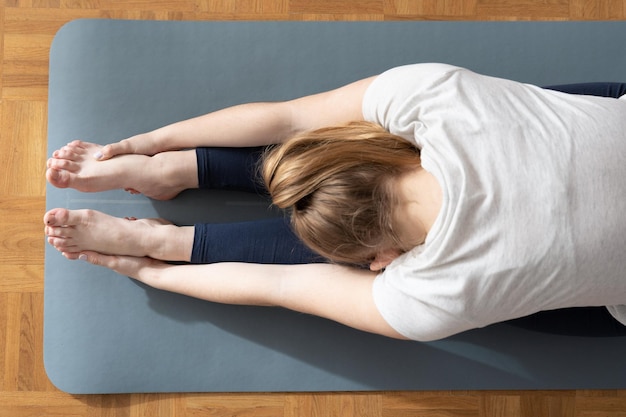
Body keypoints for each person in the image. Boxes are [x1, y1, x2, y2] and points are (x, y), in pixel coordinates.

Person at [44, 63, 626, 341]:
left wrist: (151, 140)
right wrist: (152, 270)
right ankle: (165, 234)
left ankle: (171, 174)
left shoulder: (427, 93)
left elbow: (290, 118)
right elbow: (281, 287)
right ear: (382, 257)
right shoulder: (431, 297)